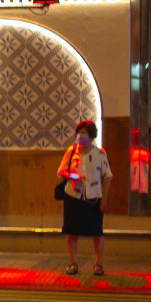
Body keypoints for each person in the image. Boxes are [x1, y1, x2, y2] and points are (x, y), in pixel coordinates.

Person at [58, 118, 112, 276]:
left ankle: (98, 264)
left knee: (97, 231)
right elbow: (61, 171)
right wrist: (73, 176)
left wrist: (105, 198)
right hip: (73, 195)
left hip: (93, 197)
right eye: (79, 133)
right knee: (72, 231)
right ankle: (73, 263)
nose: (81, 137)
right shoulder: (71, 151)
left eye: (84, 134)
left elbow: (108, 176)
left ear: (91, 136)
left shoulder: (100, 154)